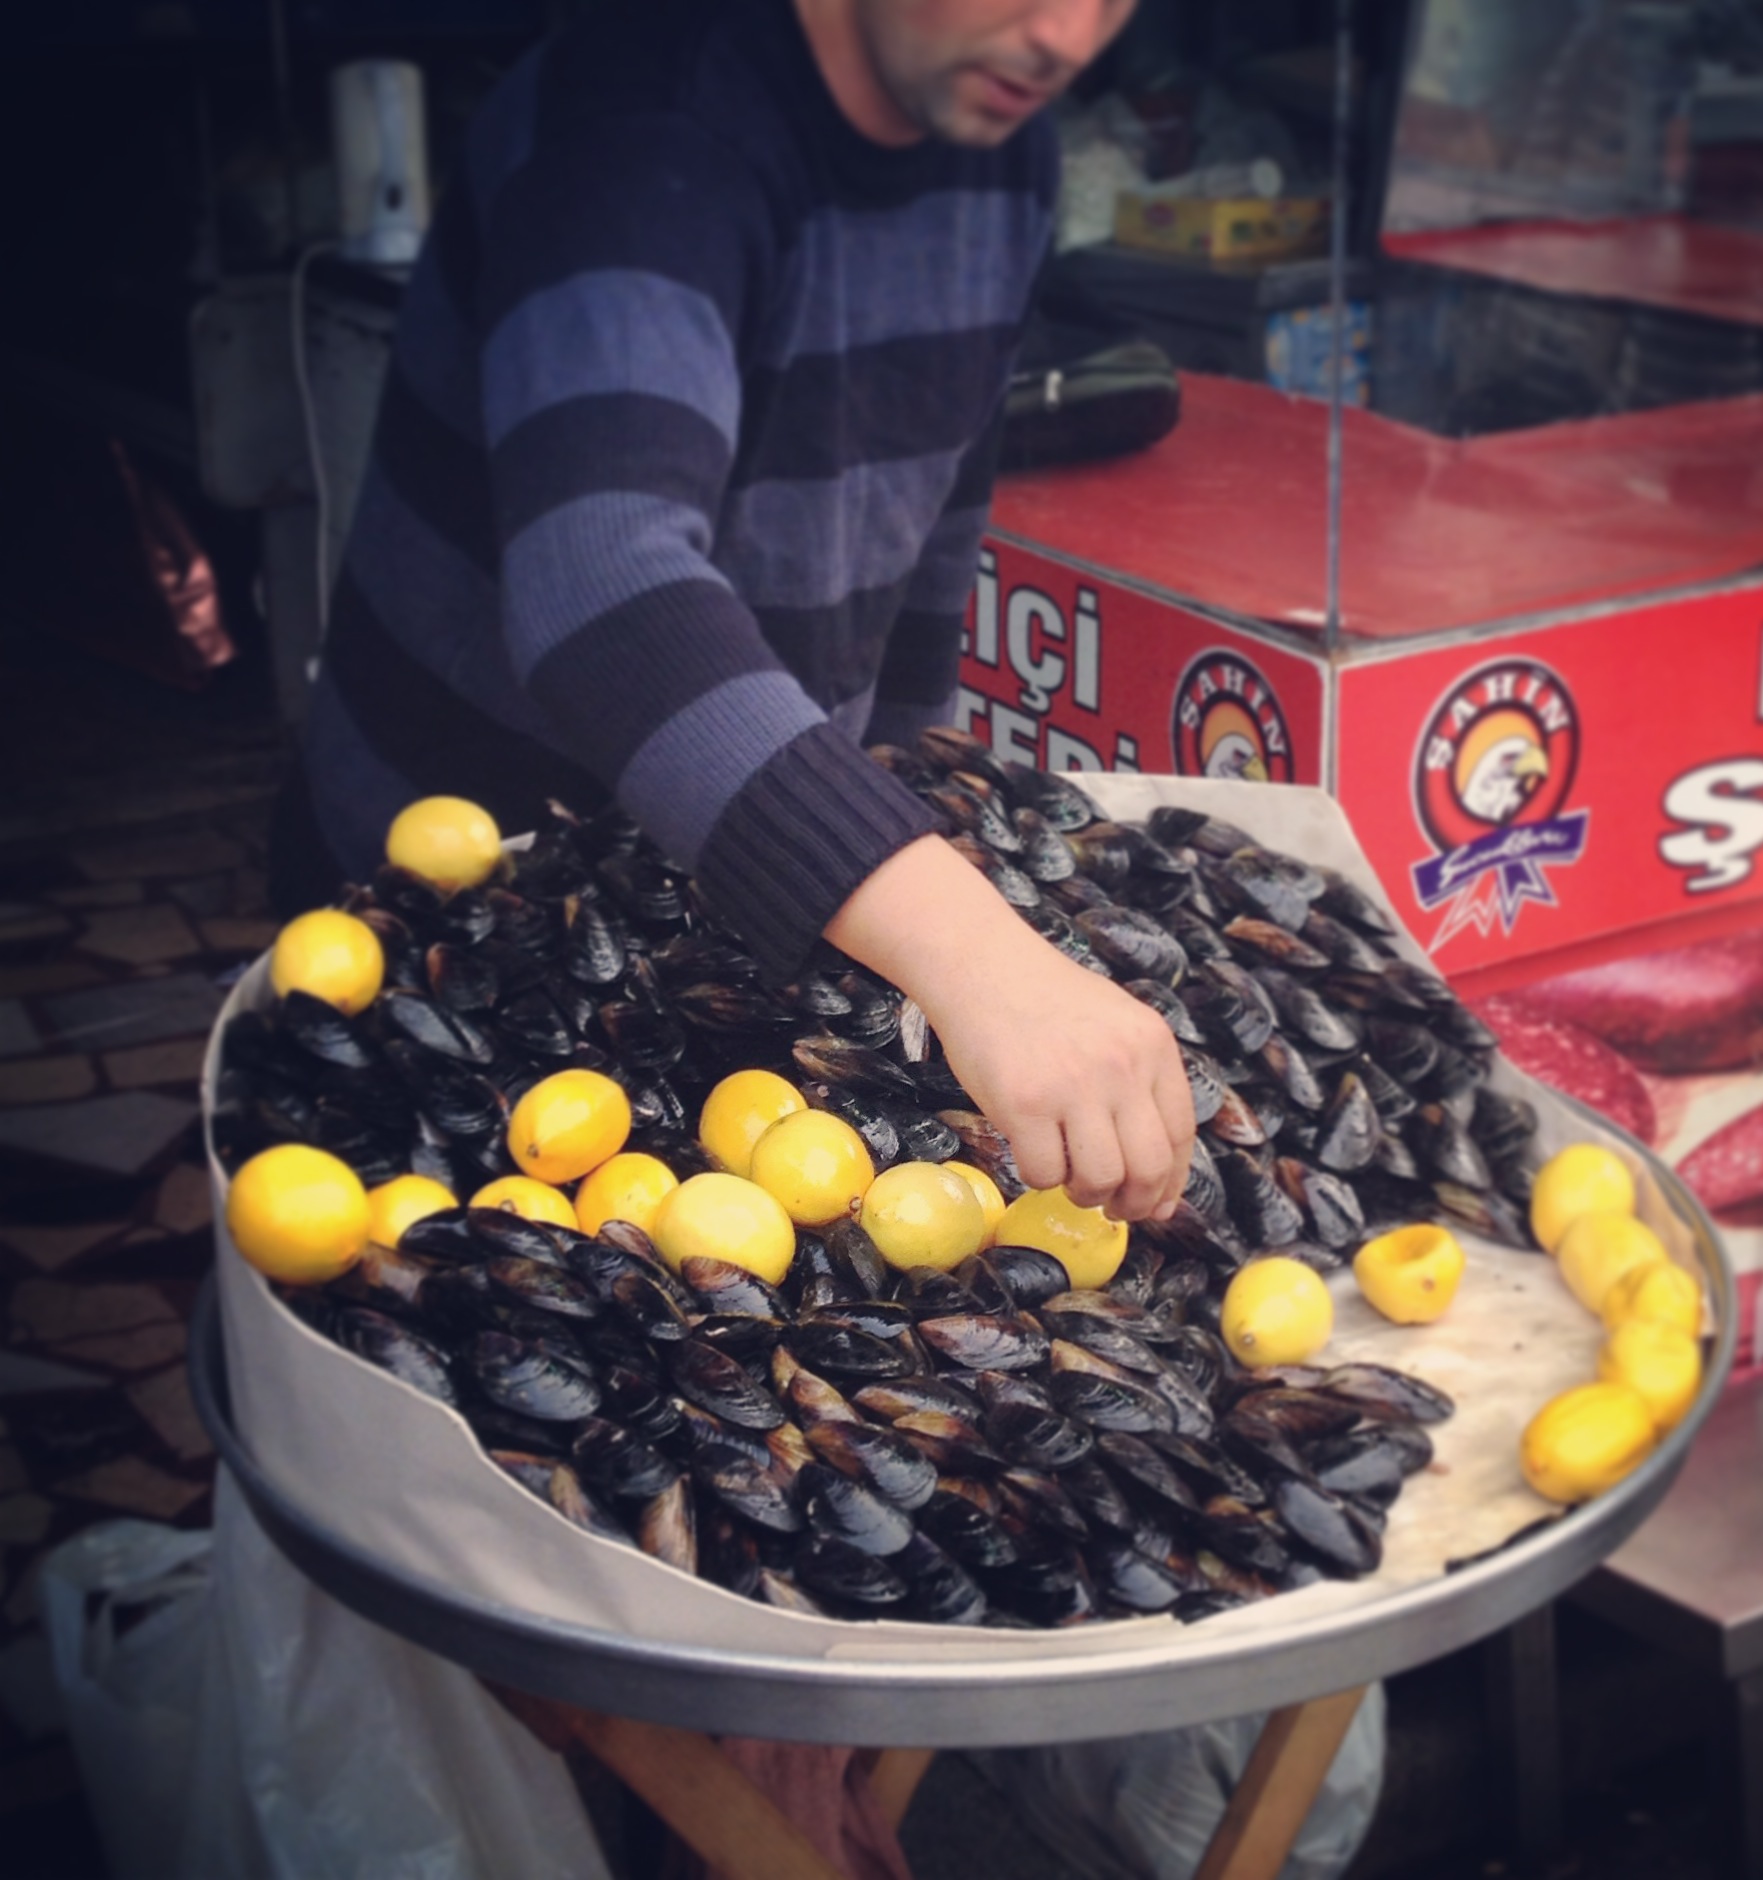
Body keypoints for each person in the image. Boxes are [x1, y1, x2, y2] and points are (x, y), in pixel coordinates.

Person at [275, 0, 1193, 1223]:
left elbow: (934, 515)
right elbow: (603, 582)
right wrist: (972, 950)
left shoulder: (998, 138)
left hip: (735, 891)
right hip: (457, 908)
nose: (1065, 37)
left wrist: (906, 800)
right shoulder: (638, 118)